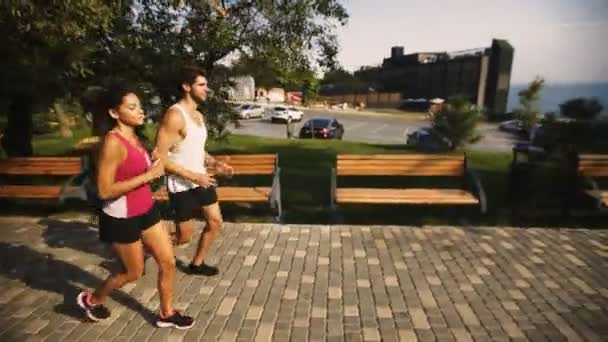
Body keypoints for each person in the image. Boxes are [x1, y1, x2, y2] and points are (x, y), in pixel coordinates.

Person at [76, 84, 194, 329]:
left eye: (140, 106)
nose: (141, 111)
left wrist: (152, 164)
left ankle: (166, 313)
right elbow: (105, 190)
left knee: (168, 262)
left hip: (147, 210)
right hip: (121, 217)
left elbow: (139, 168)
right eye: (132, 107)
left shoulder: (136, 137)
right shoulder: (112, 143)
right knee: (132, 273)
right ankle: (93, 299)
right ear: (114, 113)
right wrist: (148, 176)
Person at [155, 66, 233, 276]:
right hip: (181, 184)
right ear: (186, 87)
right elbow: (159, 157)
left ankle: (196, 263)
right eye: (202, 85)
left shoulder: (198, 115)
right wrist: (193, 176)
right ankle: (146, 247)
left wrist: (215, 163)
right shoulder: (174, 116)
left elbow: (196, 147)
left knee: (215, 222)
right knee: (183, 237)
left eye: (206, 85)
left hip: (201, 179)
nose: (207, 89)